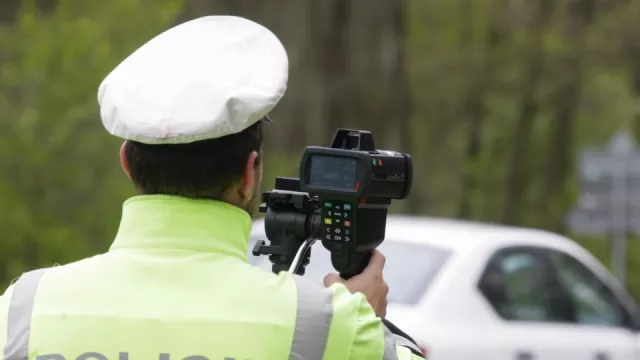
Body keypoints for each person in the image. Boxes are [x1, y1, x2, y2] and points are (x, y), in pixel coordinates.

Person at [0, 16, 425, 360]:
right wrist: (363, 324)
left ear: (127, 164)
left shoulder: (21, 310)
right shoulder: (322, 326)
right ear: (248, 175)